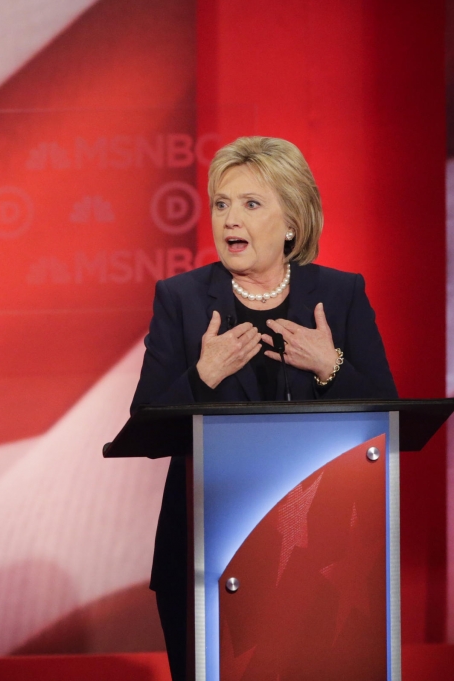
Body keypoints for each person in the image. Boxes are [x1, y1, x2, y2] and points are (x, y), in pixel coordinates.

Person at [129, 136, 397, 680]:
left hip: (325, 557)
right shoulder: (180, 299)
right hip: (208, 557)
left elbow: (388, 416)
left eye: (252, 204)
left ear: (293, 221)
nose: (231, 219)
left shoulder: (340, 295)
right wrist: (201, 378)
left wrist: (331, 368)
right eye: (222, 204)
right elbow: (144, 429)